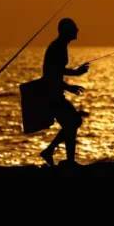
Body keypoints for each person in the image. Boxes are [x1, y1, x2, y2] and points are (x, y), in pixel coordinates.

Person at [39, 18, 89, 166]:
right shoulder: (58, 47)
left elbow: (57, 71)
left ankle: (67, 159)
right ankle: (51, 152)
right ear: (66, 30)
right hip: (51, 95)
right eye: (74, 28)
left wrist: (71, 81)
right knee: (74, 122)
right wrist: (73, 81)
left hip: (54, 93)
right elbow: (53, 72)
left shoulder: (61, 46)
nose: (77, 30)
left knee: (72, 123)